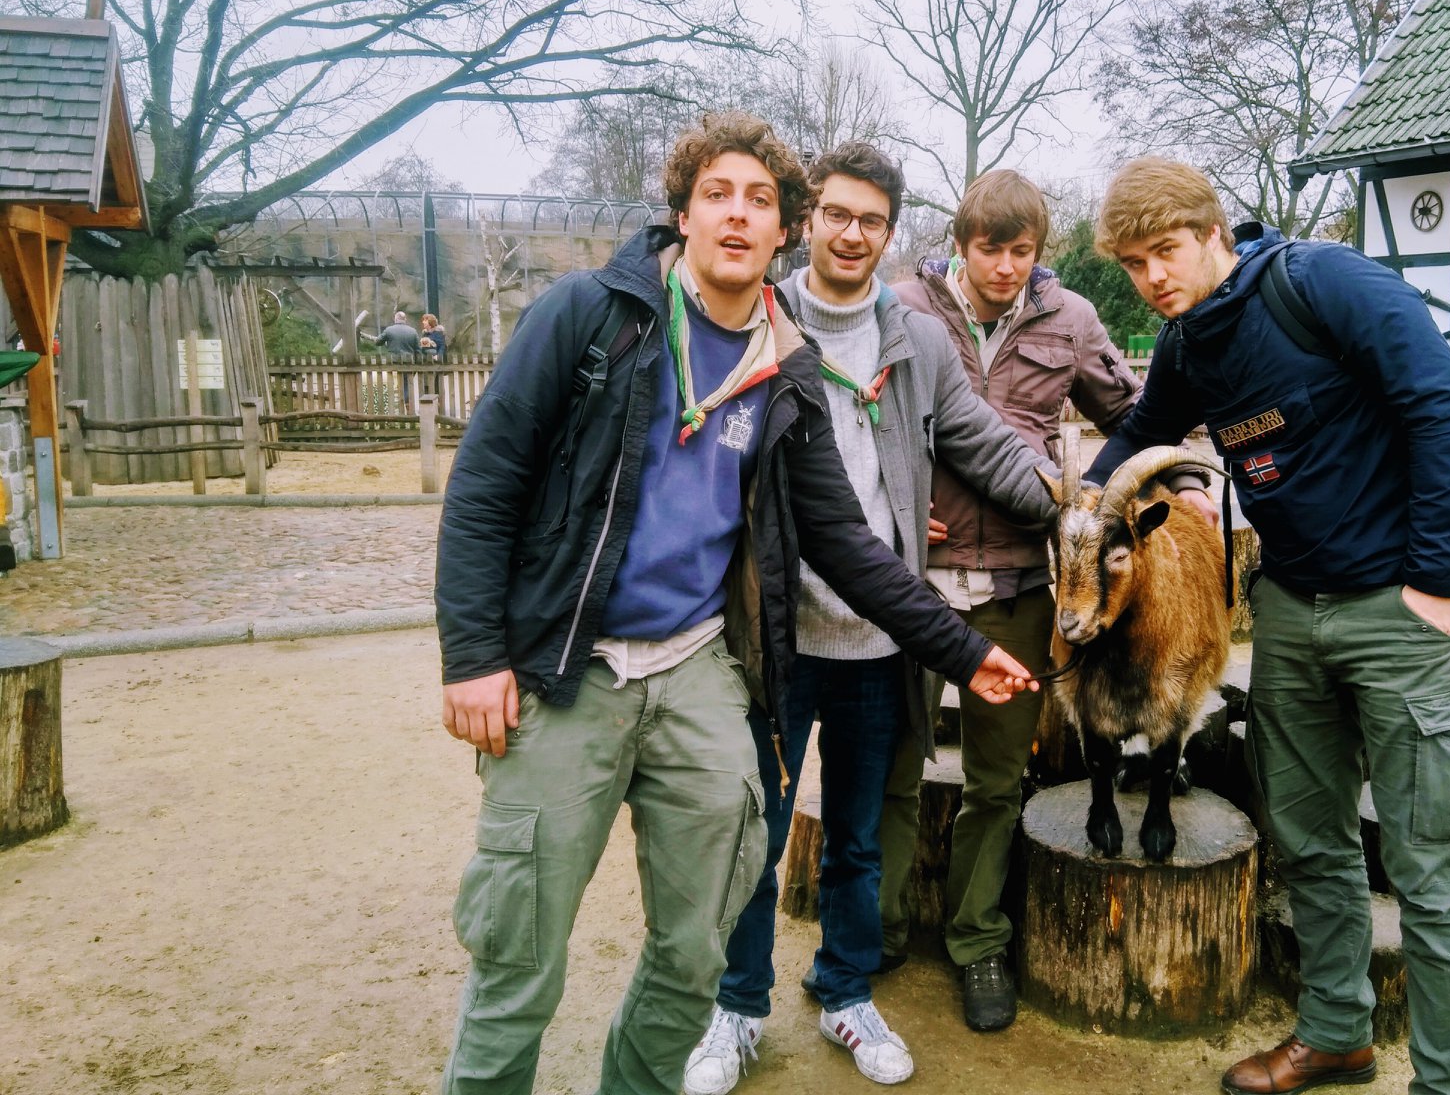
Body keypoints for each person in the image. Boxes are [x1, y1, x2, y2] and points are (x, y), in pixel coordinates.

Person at [434, 111, 1037, 1095]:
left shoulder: (785, 371)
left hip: (697, 669)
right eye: (718, 192)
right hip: (567, 668)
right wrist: (472, 655)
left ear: (781, 231)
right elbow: (487, 480)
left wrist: (962, 650)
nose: (738, 213)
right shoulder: (591, 317)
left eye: (760, 200)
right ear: (683, 211)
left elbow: (844, 540)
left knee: (699, 938)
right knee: (520, 955)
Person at [1087, 157, 1450, 1095]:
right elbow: (1144, 428)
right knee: (1310, 840)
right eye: (1134, 265)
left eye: (1167, 252)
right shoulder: (1188, 344)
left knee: (1430, 865)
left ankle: (1449, 1085)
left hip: (1398, 611)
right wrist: (1082, 503)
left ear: (1212, 232)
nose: (1153, 278)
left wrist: (1436, 582)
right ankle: (1336, 1033)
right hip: (1287, 609)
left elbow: (1448, 412)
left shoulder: (1323, 284)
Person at [686, 143, 1058, 1095]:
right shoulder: (760, 320)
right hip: (777, 636)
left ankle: (846, 990)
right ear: (808, 220)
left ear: (893, 234)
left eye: (874, 221)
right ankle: (737, 1008)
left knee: (857, 835)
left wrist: (1077, 509)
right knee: (757, 837)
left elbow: (981, 444)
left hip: (882, 636)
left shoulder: (919, 342)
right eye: (838, 215)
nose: (853, 234)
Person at [875, 169, 1144, 1033]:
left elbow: (1132, 416)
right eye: (988, 248)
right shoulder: (901, 306)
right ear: (961, 242)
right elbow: (850, 415)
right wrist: (887, 498)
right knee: (890, 768)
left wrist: (1116, 497)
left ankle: (976, 941)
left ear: (1040, 253)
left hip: (1020, 587)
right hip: (909, 588)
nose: (1002, 267)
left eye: (1020, 251)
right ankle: (870, 928)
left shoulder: (1073, 322)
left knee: (997, 781)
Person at [378, 310, 423, 407]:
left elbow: (378, 342)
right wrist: (418, 363)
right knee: (406, 384)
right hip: (408, 362)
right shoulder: (413, 331)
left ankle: (393, 405)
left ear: (395, 319)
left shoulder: (389, 330)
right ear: (405, 319)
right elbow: (418, 349)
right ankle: (407, 405)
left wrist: (387, 342)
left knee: (392, 383)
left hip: (392, 362)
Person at [420, 312, 448, 397]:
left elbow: (442, 346)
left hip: (435, 360)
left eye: (425, 320)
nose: (423, 322)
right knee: (426, 382)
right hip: (426, 360)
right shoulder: (424, 333)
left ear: (430, 322)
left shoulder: (438, 333)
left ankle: (438, 401)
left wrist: (438, 356)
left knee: (436, 382)